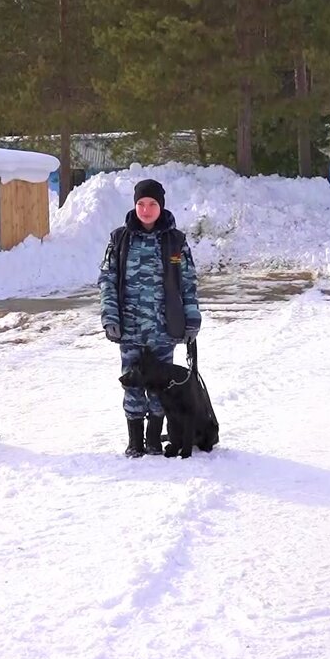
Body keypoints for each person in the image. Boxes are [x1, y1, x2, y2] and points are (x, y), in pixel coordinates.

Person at [98, 179, 201, 458]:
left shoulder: (175, 241)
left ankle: (154, 439)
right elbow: (107, 280)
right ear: (134, 205)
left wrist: (192, 319)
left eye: (152, 204)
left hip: (164, 327)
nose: (146, 209)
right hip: (129, 327)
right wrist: (110, 316)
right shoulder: (120, 239)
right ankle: (135, 442)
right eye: (141, 204)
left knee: (160, 385)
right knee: (131, 382)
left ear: (161, 206)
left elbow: (188, 283)